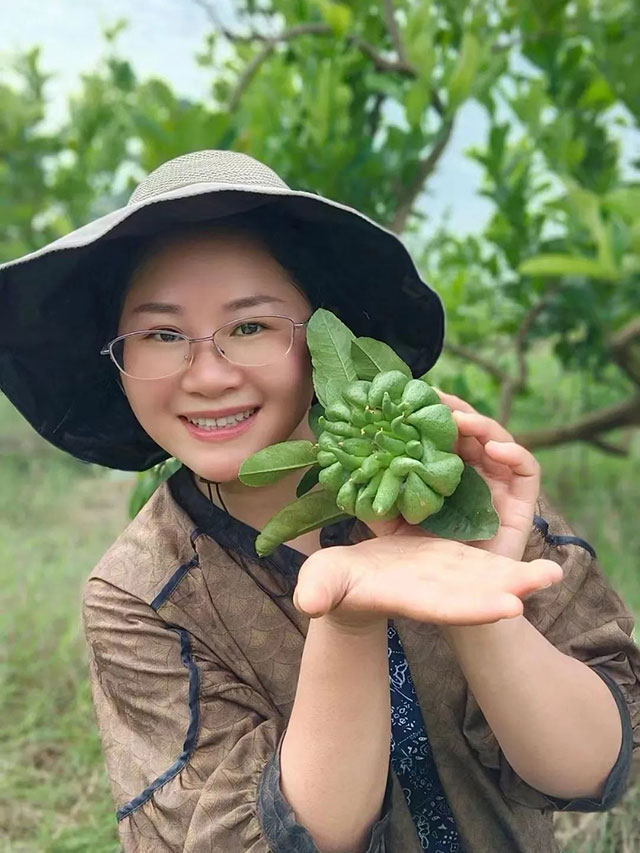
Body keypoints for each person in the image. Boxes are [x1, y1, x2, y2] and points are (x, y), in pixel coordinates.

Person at [0, 149, 638, 853]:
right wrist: (349, 620)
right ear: (119, 363)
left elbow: (593, 767)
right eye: (161, 334)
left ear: (319, 339)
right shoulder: (140, 593)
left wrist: (482, 599)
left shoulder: (459, 480)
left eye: (250, 326)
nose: (208, 374)